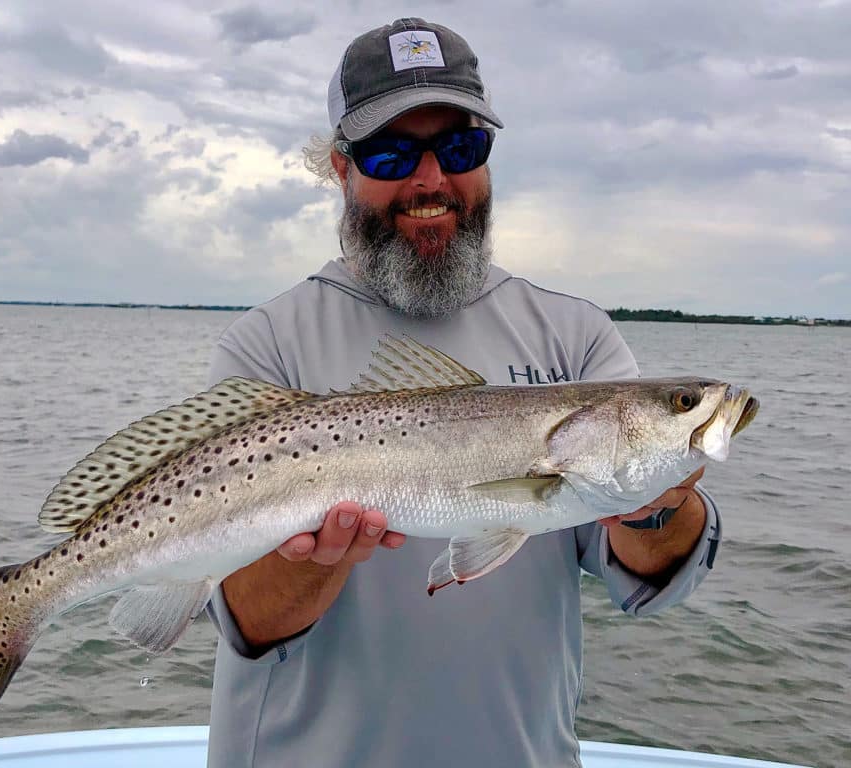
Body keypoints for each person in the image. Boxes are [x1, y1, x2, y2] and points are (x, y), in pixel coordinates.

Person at [203, 18, 722, 768]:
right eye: (390, 152)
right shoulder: (267, 344)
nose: (429, 181)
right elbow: (242, 618)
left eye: (459, 147)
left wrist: (662, 502)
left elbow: (648, 578)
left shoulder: (577, 338)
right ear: (341, 170)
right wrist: (314, 562)